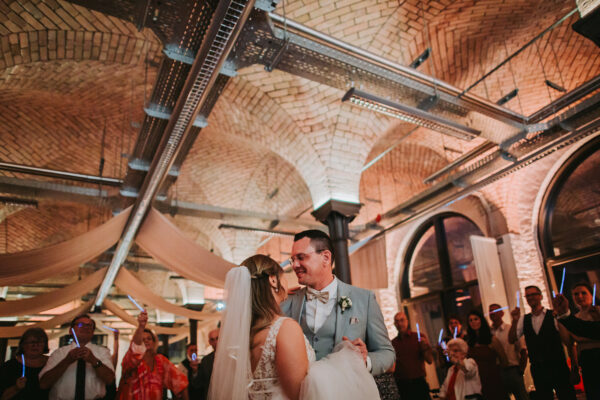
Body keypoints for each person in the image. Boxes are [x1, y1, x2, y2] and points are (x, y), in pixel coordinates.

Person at [208, 254, 380, 399]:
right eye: (283, 276)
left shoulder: (241, 335)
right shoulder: (284, 328)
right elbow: (300, 394)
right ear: (273, 280)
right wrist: (345, 360)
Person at [281, 230, 395, 375]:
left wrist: (366, 361)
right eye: (293, 260)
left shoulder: (364, 299)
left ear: (326, 257)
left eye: (301, 257)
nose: (295, 265)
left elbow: (387, 353)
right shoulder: (286, 303)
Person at [508, 285, 577, 400]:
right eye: (527, 295)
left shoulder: (553, 315)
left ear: (540, 296)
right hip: (538, 370)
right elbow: (511, 339)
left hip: (558, 367)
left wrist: (574, 368)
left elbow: (569, 342)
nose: (530, 298)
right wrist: (514, 320)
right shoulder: (523, 320)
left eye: (533, 294)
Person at [39, 314, 115, 400]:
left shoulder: (103, 352)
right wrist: (67, 360)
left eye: (89, 325)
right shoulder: (58, 353)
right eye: (80, 324)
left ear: (93, 332)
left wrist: (93, 360)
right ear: (71, 331)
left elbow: (110, 380)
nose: (85, 327)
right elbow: (44, 384)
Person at [117, 311, 188, 399]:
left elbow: (180, 381)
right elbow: (135, 348)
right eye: (142, 340)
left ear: (154, 342)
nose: (146, 341)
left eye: (149, 338)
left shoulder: (160, 361)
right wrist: (141, 327)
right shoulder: (132, 360)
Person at [566, 283, 600, 400]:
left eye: (583, 293)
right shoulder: (575, 318)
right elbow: (572, 343)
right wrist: (574, 368)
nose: (580, 296)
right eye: (576, 294)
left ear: (591, 295)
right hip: (586, 360)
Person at [488, 304, 529, 400]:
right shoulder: (488, 333)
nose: (492, 313)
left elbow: (523, 350)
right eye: (490, 311)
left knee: (522, 396)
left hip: (513, 369)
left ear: (502, 313)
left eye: (495, 310)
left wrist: (521, 370)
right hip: (497, 371)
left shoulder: (510, 329)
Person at [465, 310, 508, 400]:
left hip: (492, 377)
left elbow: (504, 360)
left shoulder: (492, 339)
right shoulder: (469, 342)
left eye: (476, 319)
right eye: (470, 320)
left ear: (481, 320)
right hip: (476, 380)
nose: (473, 322)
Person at [391, 311, 433, 400]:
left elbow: (430, 360)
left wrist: (425, 348)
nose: (399, 323)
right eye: (397, 321)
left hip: (419, 383)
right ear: (394, 324)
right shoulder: (392, 343)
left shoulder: (419, 337)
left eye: (402, 320)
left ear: (407, 321)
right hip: (402, 386)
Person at [0, 327, 50, 400]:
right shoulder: (9, 366)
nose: (35, 345)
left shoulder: (53, 362)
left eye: (40, 342)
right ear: (23, 345)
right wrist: (16, 388)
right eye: (31, 342)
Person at [196, 329, 218, 399]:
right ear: (209, 342)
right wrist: (194, 371)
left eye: (217, 338)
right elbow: (199, 383)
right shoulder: (206, 360)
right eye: (212, 340)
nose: (215, 342)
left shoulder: (231, 358)